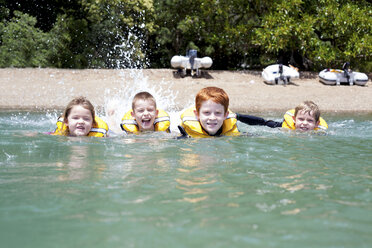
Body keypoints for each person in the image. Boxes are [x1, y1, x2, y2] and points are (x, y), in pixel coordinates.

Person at [236, 100, 328, 131]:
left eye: (310, 120)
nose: (304, 123)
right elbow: (262, 123)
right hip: (279, 126)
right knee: (264, 123)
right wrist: (238, 117)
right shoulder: (283, 127)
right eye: (301, 119)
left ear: (317, 123)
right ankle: (239, 116)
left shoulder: (320, 134)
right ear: (294, 119)